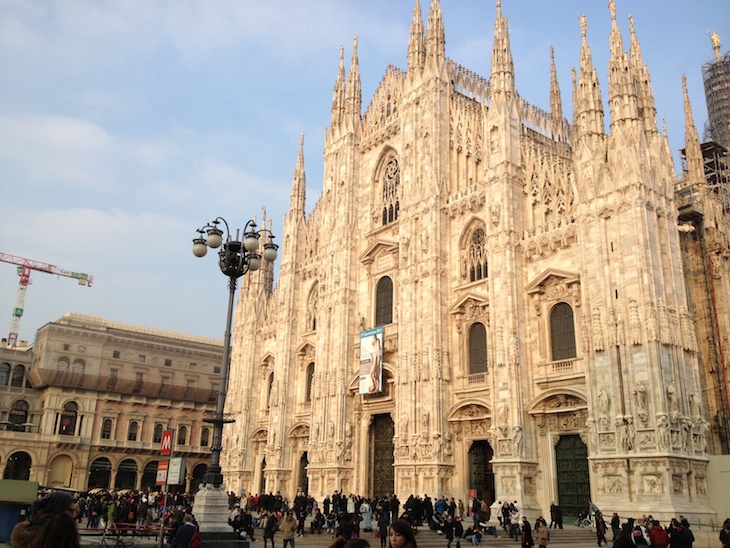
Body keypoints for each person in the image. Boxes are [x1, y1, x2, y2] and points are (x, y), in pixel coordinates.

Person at [11, 491, 81, 548]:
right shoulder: (59, 536)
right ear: (58, 510)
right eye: (70, 511)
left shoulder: (27, 532)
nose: (73, 515)